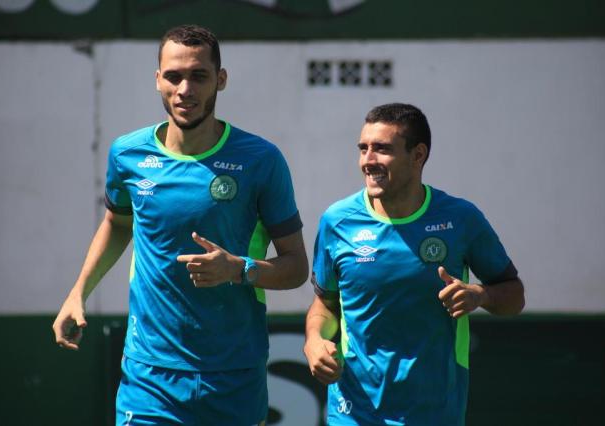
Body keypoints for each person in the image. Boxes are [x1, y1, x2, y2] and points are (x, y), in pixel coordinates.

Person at [52, 24, 308, 426]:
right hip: (149, 376)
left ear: (221, 80)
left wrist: (238, 269)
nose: (184, 89)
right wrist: (77, 293)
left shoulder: (261, 160)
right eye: (173, 76)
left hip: (234, 375)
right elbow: (117, 224)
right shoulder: (127, 154)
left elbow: (296, 266)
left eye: (198, 76)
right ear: (158, 80)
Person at [303, 103, 525, 425]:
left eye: (382, 149)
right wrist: (314, 340)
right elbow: (325, 304)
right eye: (363, 149)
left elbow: (514, 295)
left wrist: (481, 295)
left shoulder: (460, 219)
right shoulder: (337, 221)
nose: (368, 161)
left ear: (418, 155)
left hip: (434, 413)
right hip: (354, 412)